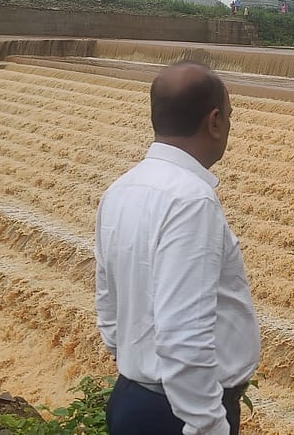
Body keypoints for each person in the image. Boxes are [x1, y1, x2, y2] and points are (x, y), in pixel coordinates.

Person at [95, 61, 260, 435]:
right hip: (178, 415)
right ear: (215, 121)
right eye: (230, 116)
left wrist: (137, 363)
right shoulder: (191, 200)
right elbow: (183, 333)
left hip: (134, 397)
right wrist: (208, 424)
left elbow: (107, 301)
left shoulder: (121, 189)